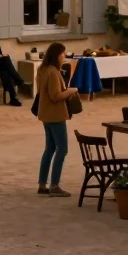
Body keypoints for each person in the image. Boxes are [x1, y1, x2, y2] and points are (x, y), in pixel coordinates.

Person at [36, 41, 79, 197]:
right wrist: (71, 91)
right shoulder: (53, 72)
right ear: (57, 55)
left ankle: (42, 183)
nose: (64, 57)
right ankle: (54, 185)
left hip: (45, 114)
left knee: (49, 149)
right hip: (56, 114)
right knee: (62, 149)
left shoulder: (42, 69)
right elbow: (55, 96)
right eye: (62, 54)